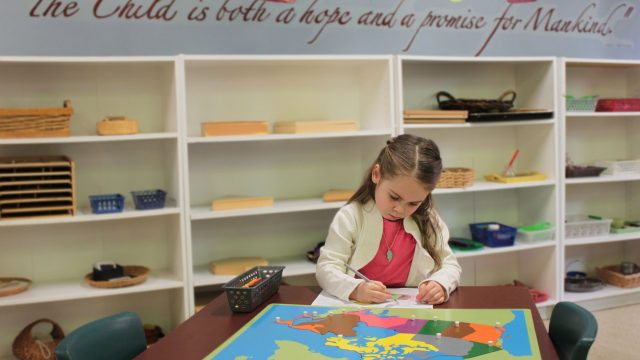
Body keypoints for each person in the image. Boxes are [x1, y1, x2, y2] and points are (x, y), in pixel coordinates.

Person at [316, 134, 461, 304]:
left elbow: (450, 265)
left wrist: (440, 284)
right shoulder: (350, 217)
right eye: (394, 197)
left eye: (413, 203)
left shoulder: (428, 219)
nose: (400, 209)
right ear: (376, 174)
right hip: (360, 308)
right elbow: (326, 268)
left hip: (411, 309)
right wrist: (355, 289)